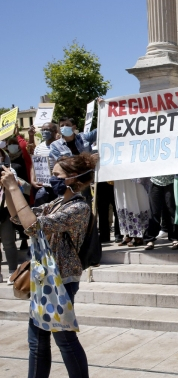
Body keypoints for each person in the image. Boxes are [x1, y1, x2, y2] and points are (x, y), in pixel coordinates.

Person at [2, 153, 95, 377]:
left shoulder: (78, 208)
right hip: (44, 277)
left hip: (61, 280)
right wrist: (8, 188)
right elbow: (19, 219)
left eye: (57, 175)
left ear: (73, 178)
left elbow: (33, 227)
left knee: (64, 340)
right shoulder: (56, 202)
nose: (51, 179)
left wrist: (15, 187)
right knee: (37, 341)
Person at [143, 175, 178, 246]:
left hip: (170, 181)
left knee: (171, 210)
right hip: (154, 182)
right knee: (154, 212)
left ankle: (175, 237)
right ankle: (150, 238)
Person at [113, 178, 151, 248]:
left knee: (137, 196)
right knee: (123, 198)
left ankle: (140, 234)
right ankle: (128, 233)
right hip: (119, 174)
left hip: (134, 174)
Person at [29, 123, 59, 206]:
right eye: (43, 130)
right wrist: (32, 180)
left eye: (47, 130)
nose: (44, 132)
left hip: (55, 186)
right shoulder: (38, 148)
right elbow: (34, 166)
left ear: (55, 132)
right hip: (41, 186)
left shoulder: (60, 146)